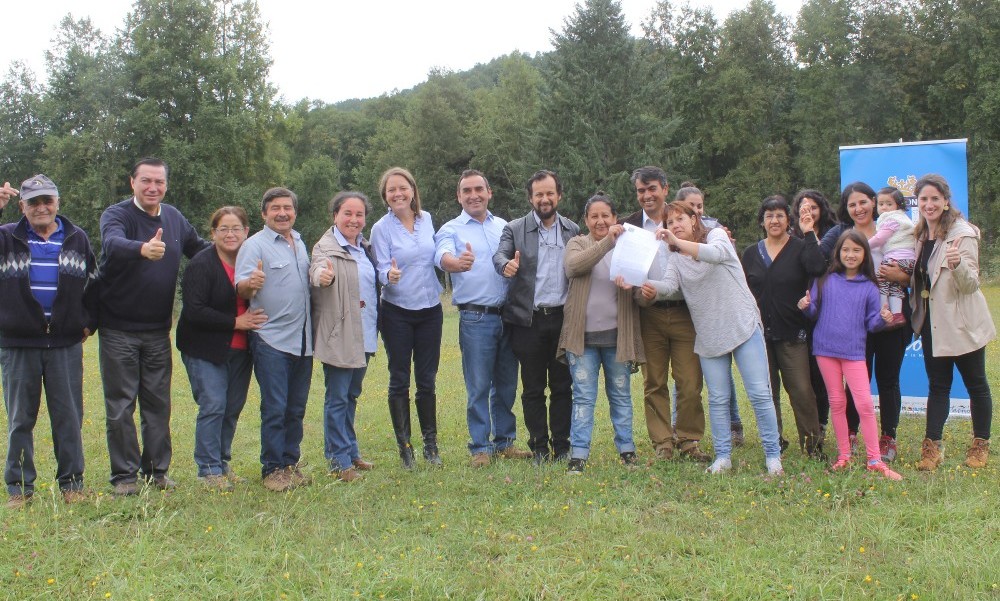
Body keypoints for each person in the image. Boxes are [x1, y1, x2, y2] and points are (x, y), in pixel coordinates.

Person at [638, 202, 783, 476]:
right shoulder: (676, 256)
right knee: (717, 398)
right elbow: (669, 286)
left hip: (741, 324)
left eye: (680, 219)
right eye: (670, 222)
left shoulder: (716, 236)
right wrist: (646, 287)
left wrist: (677, 242)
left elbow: (715, 255)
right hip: (708, 332)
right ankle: (723, 456)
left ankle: (773, 456)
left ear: (695, 220)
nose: (675, 225)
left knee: (759, 394)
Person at [97, 158, 210, 496]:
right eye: (146, 181)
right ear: (132, 182)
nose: (153, 188)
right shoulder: (116, 215)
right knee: (120, 405)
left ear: (166, 185)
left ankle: (157, 472)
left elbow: (199, 249)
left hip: (159, 330)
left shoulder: (173, 218)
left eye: (159, 182)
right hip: (118, 329)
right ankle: (124, 477)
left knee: (158, 404)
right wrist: (142, 249)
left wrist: (231, 252)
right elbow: (112, 244)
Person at [1, 175, 97, 508]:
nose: (42, 208)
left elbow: (94, 284)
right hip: (18, 344)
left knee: (69, 417)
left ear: (57, 203)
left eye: (47, 201)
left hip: (64, 345)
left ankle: (72, 483)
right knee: (19, 419)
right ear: (21, 206)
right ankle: (19, 488)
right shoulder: (5, 238)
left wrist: (87, 321)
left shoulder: (76, 237)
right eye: (34, 202)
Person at [435, 170, 532, 468]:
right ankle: (480, 447)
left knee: (506, 383)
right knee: (477, 385)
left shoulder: (504, 226)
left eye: (479, 189)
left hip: (508, 315)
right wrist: (457, 263)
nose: (474, 195)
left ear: (489, 192)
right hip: (476, 318)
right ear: (459, 196)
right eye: (467, 190)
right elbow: (442, 256)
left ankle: (505, 442)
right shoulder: (451, 228)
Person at [798, 230, 902, 480]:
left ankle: (875, 459)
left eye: (856, 250)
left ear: (865, 254)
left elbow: (871, 323)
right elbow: (813, 312)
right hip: (825, 350)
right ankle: (843, 455)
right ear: (838, 253)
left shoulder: (869, 286)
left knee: (864, 404)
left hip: (854, 352)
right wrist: (805, 306)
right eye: (846, 250)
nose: (850, 254)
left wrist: (883, 319)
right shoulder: (824, 280)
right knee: (837, 403)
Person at [621, 167, 708, 463]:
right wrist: (637, 294)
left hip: (686, 312)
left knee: (689, 381)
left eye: (652, 189)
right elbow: (625, 273)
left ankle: (688, 440)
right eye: (641, 190)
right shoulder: (629, 227)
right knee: (654, 381)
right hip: (650, 315)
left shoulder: (684, 219)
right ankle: (662, 442)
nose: (647, 195)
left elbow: (708, 248)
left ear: (665, 189)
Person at [176, 207, 266, 491]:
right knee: (213, 404)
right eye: (223, 229)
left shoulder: (251, 261)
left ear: (246, 232)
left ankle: (222, 463)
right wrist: (235, 322)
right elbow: (194, 311)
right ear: (212, 233)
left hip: (241, 349)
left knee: (232, 408)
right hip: (205, 347)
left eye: (236, 228)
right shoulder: (202, 264)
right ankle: (207, 469)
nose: (230, 234)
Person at [494, 170, 580, 465]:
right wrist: (505, 265)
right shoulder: (515, 229)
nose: (545, 199)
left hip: (563, 320)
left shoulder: (572, 229)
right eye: (539, 194)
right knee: (532, 388)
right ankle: (539, 447)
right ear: (530, 198)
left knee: (562, 386)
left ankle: (562, 445)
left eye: (550, 193)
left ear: (559, 196)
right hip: (527, 321)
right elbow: (500, 255)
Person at [909, 174, 995, 470]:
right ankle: (932, 448)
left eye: (935, 199)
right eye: (924, 199)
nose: (929, 204)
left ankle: (980, 444)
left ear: (946, 201)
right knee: (938, 385)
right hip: (934, 325)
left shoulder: (962, 234)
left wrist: (957, 266)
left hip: (963, 324)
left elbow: (971, 285)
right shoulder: (921, 235)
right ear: (917, 203)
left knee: (976, 384)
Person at [820, 182, 910, 461]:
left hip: (892, 317)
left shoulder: (894, 229)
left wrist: (903, 278)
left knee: (888, 378)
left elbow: (914, 269)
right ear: (846, 210)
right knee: (858, 381)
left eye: (863, 202)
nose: (858, 209)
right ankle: (850, 434)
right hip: (856, 323)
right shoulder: (843, 236)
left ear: (875, 202)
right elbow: (822, 262)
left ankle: (888, 437)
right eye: (851, 204)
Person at [558, 193, 643, 475]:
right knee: (583, 396)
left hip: (617, 337)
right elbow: (573, 267)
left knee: (620, 395)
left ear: (615, 218)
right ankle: (578, 455)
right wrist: (608, 242)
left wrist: (642, 291)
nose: (600, 220)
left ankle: (627, 450)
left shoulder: (628, 246)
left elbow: (640, 284)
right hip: (581, 340)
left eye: (606, 215)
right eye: (594, 216)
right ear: (586, 220)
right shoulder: (578, 243)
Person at [235, 187, 313, 492]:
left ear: (294, 212)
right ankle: (272, 469)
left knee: (296, 408)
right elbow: (242, 288)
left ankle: (290, 464)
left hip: (303, 339)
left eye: (288, 208)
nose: (283, 213)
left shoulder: (300, 242)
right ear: (264, 213)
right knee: (275, 406)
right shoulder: (254, 246)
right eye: (276, 208)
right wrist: (249, 285)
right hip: (271, 340)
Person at [741, 195, 826, 458]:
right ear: (762, 221)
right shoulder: (751, 253)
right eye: (769, 216)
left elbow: (818, 266)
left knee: (801, 390)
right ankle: (774, 442)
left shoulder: (800, 247)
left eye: (779, 215)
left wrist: (809, 232)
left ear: (788, 220)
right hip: (759, 335)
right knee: (767, 392)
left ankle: (813, 446)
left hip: (793, 333)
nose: (774, 220)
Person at [370, 167, 443, 469]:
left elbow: (436, 255)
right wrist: (389, 274)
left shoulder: (427, 221)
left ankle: (431, 445)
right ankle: (406, 449)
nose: (398, 194)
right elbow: (379, 267)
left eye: (403, 188)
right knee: (399, 379)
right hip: (397, 311)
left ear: (413, 190)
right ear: (385, 196)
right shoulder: (380, 228)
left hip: (430, 309)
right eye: (391, 190)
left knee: (427, 380)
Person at [310, 191, 380, 483]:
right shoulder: (325, 248)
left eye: (359, 214)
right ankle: (338, 461)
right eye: (347, 213)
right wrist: (320, 277)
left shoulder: (365, 248)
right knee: (337, 397)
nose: (354, 219)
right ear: (335, 216)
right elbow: (316, 270)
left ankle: (350, 452)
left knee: (351, 395)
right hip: (339, 333)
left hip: (363, 331)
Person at [675, 182, 745, 448]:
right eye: (691, 207)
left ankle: (734, 423)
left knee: (723, 374)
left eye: (700, 206)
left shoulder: (715, 231)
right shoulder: (674, 230)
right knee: (684, 377)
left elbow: (721, 257)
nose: (697, 212)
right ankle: (677, 424)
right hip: (688, 312)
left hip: (716, 313)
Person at [791, 189, 839, 443]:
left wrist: (810, 234)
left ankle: (821, 424)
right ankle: (810, 425)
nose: (808, 211)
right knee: (805, 373)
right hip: (801, 311)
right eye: (803, 207)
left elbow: (818, 265)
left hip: (827, 312)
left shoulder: (835, 233)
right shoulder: (791, 238)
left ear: (822, 209)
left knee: (822, 374)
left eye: (813, 207)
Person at [868, 187, 915, 326]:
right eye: (881, 204)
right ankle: (897, 315)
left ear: (898, 205)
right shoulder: (904, 219)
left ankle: (884, 310)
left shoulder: (891, 219)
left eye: (889, 204)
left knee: (882, 280)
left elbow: (879, 239)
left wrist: (863, 245)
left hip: (897, 258)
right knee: (895, 287)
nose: (884, 208)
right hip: (909, 260)